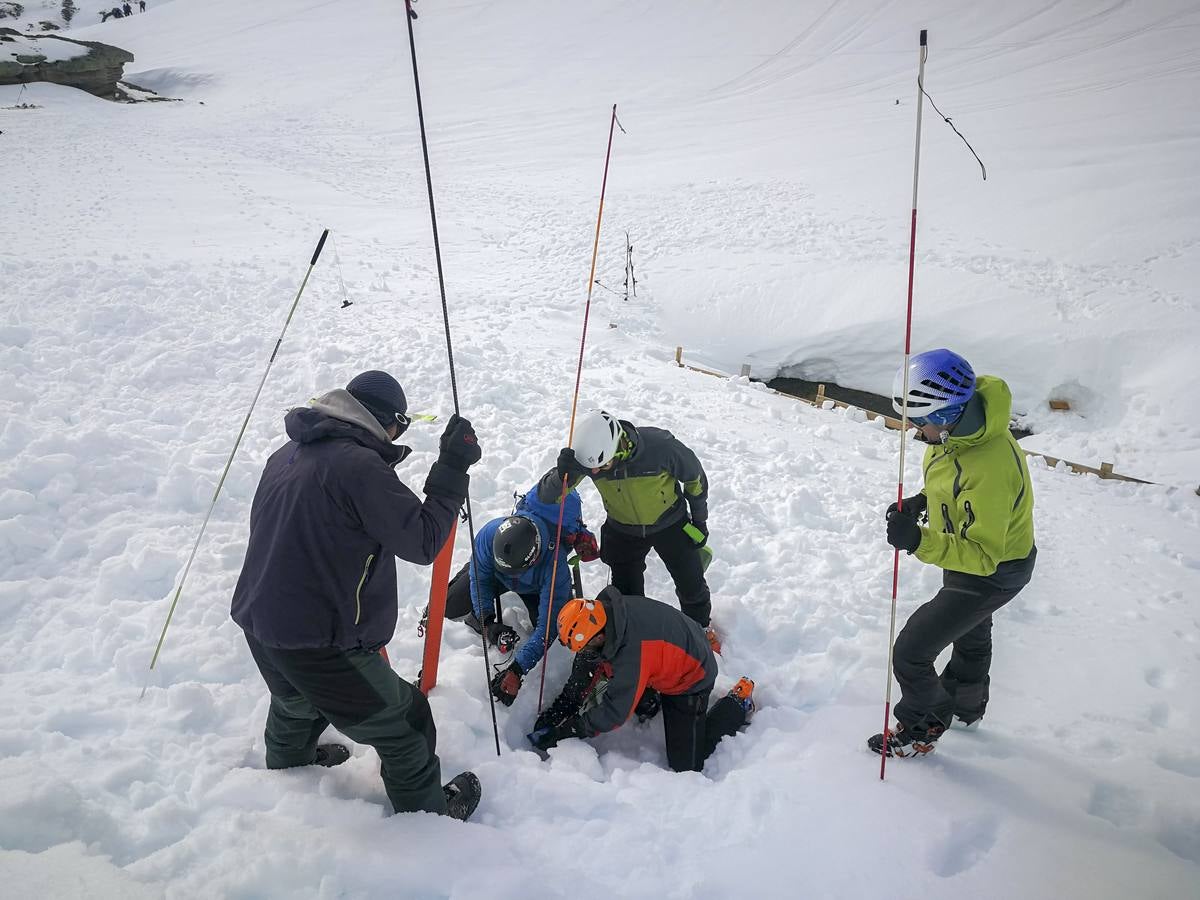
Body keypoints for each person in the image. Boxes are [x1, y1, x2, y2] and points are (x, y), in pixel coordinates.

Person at [230, 370, 483, 820]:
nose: (399, 434)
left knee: (296, 700)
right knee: (406, 723)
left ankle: (286, 776)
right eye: (401, 425)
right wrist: (452, 468)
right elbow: (423, 541)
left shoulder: (289, 452)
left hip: (260, 622)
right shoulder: (358, 467)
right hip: (320, 642)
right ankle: (427, 820)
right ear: (384, 421)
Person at [869, 349, 1037, 757]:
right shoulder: (960, 431)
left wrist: (917, 541)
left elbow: (983, 557)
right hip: (972, 557)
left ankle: (923, 726)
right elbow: (954, 483)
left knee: (911, 651)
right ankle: (966, 709)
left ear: (944, 418)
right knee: (971, 634)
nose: (915, 431)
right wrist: (923, 501)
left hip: (993, 571)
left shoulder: (990, 466)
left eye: (920, 422)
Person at [527, 587, 755, 772]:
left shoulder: (632, 654)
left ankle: (737, 702)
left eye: (586, 646)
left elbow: (615, 713)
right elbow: (585, 671)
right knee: (598, 667)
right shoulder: (607, 615)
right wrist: (561, 708)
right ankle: (650, 697)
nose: (584, 651)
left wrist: (570, 730)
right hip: (671, 648)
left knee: (687, 765)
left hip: (692, 676)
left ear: (599, 635)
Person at [550, 409, 720, 652]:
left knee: (690, 580)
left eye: (602, 466)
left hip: (670, 522)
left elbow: (696, 480)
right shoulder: (589, 462)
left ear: (617, 448)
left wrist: (700, 522)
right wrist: (561, 475)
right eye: (592, 469)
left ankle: (701, 628)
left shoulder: (661, 447)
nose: (596, 473)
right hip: (623, 530)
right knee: (626, 593)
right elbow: (550, 496)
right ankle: (633, 635)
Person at [438, 470, 599, 707]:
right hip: (495, 571)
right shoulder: (489, 534)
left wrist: (517, 668)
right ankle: (473, 569)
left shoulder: (554, 568)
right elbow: (481, 579)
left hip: (536, 587)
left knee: (559, 626)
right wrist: (487, 621)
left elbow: (546, 631)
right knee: (450, 605)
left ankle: (559, 597)